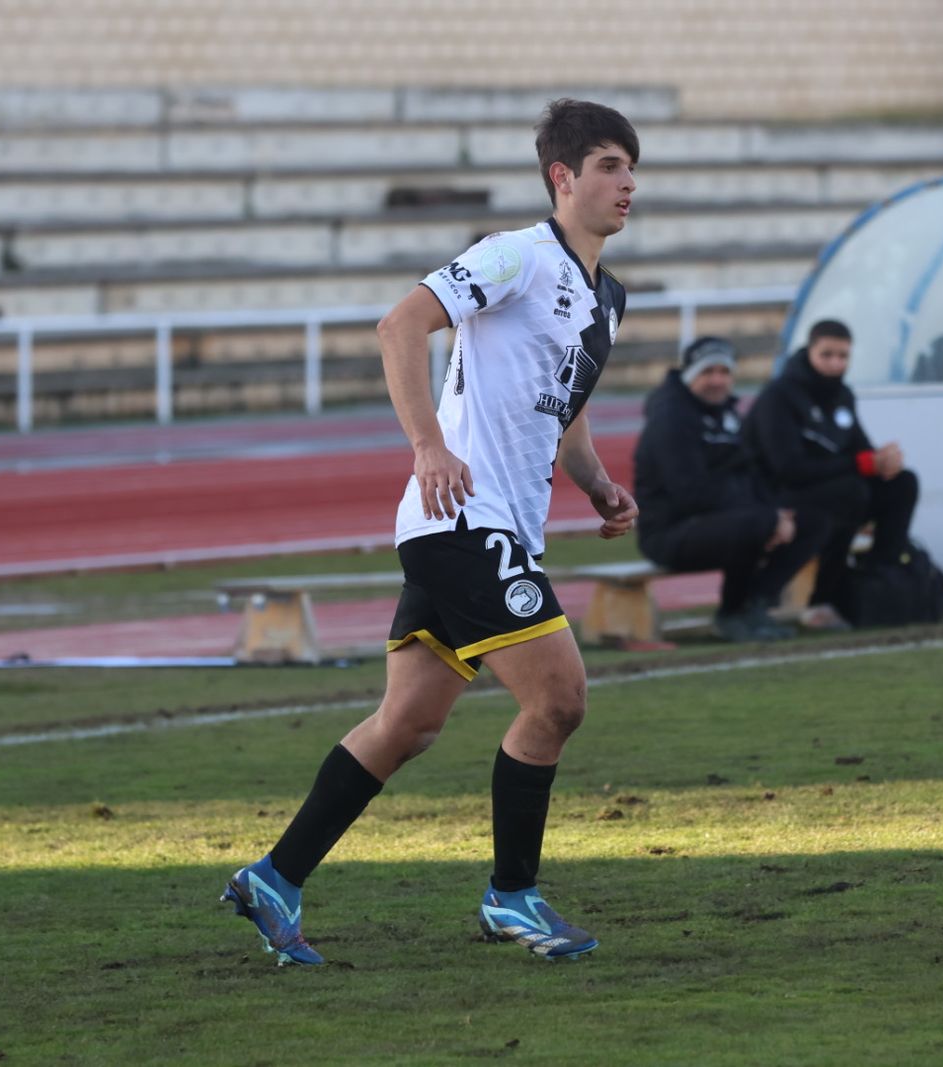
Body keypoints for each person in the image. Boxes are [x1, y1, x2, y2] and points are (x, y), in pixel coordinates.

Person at [221, 99, 641, 965]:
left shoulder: (609, 298)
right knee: (558, 697)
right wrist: (427, 445)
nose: (627, 182)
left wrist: (599, 485)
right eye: (608, 165)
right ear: (562, 178)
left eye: (633, 167)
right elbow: (400, 324)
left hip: (496, 528)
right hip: (462, 521)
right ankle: (512, 897)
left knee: (405, 723)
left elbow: (565, 416)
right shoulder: (517, 255)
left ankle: (274, 877)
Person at [633, 335, 828, 641]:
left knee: (814, 520)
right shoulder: (671, 418)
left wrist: (779, 513)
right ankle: (732, 613)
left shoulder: (725, 413)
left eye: (724, 373)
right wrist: (767, 517)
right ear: (689, 376)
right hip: (669, 532)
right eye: (707, 372)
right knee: (757, 524)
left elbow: (747, 472)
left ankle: (757, 605)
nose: (717, 381)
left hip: (720, 519)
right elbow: (689, 493)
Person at [743, 319, 919, 619]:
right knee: (850, 494)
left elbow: (860, 448)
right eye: (827, 354)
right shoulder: (780, 395)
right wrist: (860, 464)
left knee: (902, 483)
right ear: (809, 351)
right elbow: (786, 468)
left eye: (843, 356)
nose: (836, 363)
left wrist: (883, 461)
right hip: (776, 495)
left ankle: (881, 577)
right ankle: (811, 596)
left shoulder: (842, 395)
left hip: (835, 491)